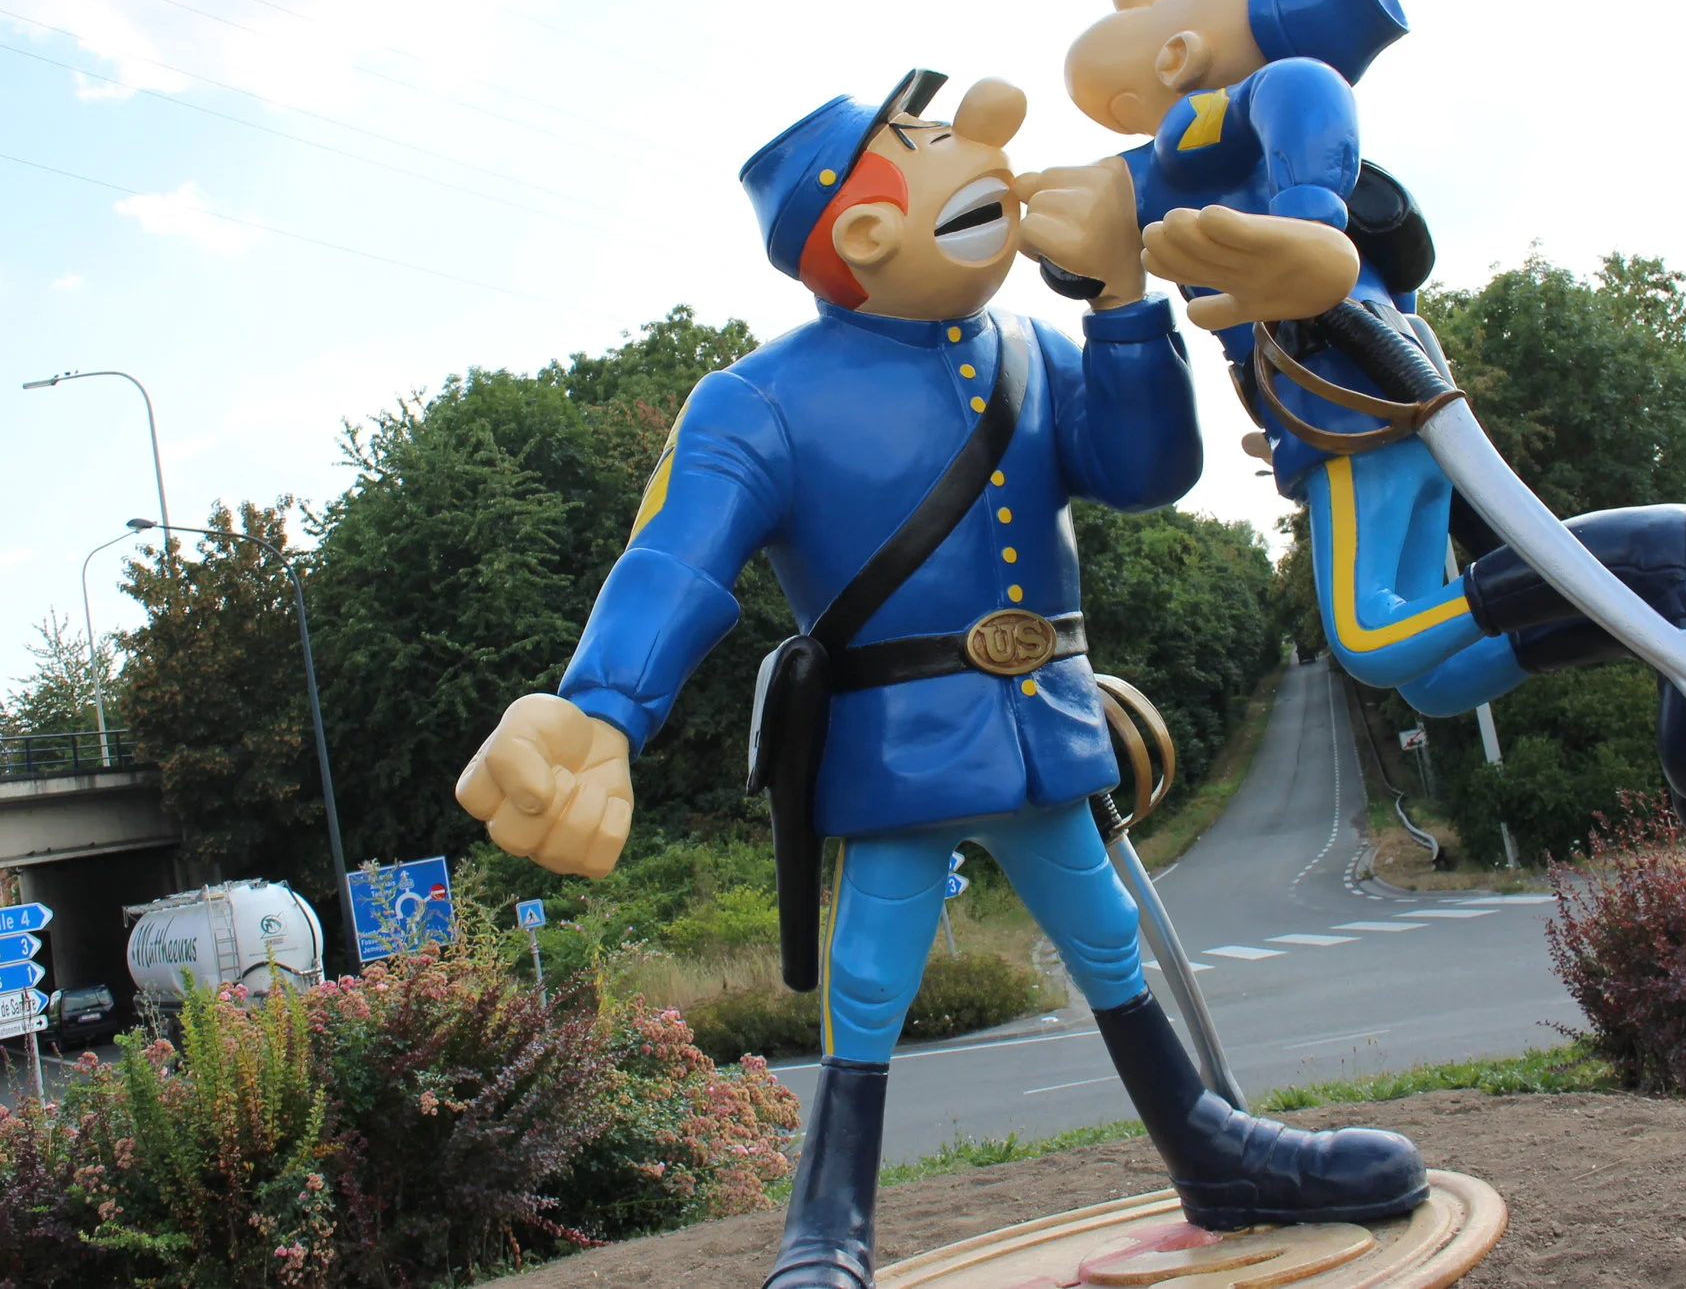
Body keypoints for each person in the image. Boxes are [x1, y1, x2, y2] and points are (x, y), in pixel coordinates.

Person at [456, 70, 1427, 1289]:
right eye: (927, 138)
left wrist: (1122, 301)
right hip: (897, 738)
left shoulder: (1030, 348)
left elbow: (1145, 471)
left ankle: (1212, 1151)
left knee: (1106, 935)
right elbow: (673, 557)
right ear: (865, 230)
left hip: (1042, 725)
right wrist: (602, 704)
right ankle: (826, 1223)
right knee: (871, 970)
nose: (988, 137)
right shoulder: (755, 399)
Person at [1022, 0, 1686, 852]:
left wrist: (1306, 218)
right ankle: (1650, 612)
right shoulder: (1192, 155)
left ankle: (1673, 553)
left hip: (1354, 402)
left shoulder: (1250, 106)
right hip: (1363, 399)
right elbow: (1100, 209)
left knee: (1373, 640)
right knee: (1440, 678)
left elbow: (1308, 97)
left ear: (1179, 56)